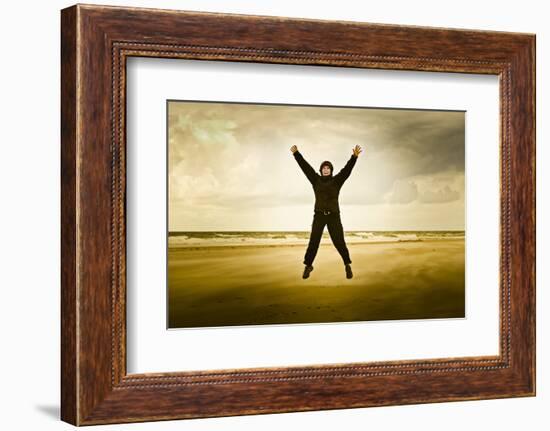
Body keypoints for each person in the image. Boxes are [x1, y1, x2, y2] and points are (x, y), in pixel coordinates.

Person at [290, 144, 363, 279]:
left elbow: (346, 171)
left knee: (339, 241)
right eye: (324, 168)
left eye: (328, 168)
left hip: (334, 217)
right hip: (319, 216)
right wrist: (296, 154)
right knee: (314, 241)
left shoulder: (337, 181)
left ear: (331, 170)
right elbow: (306, 168)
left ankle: (347, 264)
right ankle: (308, 265)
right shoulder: (315, 180)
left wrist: (354, 157)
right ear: (321, 170)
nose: (325, 169)